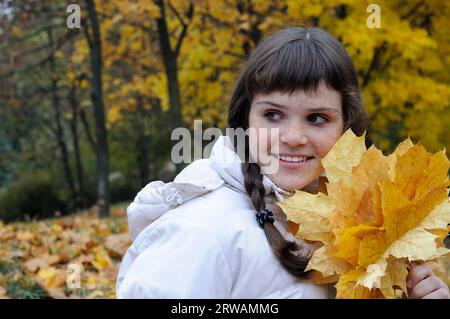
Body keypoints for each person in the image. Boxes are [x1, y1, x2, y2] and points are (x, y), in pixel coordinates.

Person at [116, 27, 449, 299]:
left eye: (317, 118)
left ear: (347, 128)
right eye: (273, 115)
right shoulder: (201, 231)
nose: (292, 136)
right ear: (245, 119)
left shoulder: (359, 225)